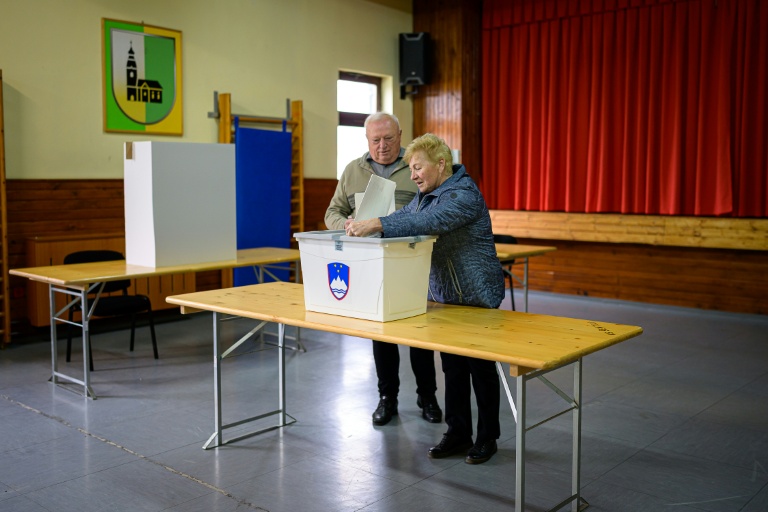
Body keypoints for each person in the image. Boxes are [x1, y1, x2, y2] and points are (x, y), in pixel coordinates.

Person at [344, 133, 505, 464]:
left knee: (480, 369)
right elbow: (406, 217)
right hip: (447, 298)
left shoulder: (463, 194)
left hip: (477, 296)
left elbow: (429, 222)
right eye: (411, 169)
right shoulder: (426, 195)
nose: (413, 174)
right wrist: (366, 224)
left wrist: (377, 224)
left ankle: (488, 437)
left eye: (418, 168)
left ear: (441, 164)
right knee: (452, 368)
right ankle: (458, 433)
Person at [325, 113, 442, 427]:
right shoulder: (353, 170)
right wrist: (345, 224)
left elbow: (435, 208)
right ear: (366, 140)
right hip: (372, 266)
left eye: (388, 139)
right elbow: (333, 211)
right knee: (382, 336)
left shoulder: (416, 166)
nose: (382, 146)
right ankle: (387, 398)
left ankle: (427, 396)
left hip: (414, 264)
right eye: (375, 140)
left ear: (400, 135)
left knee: (420, 335)